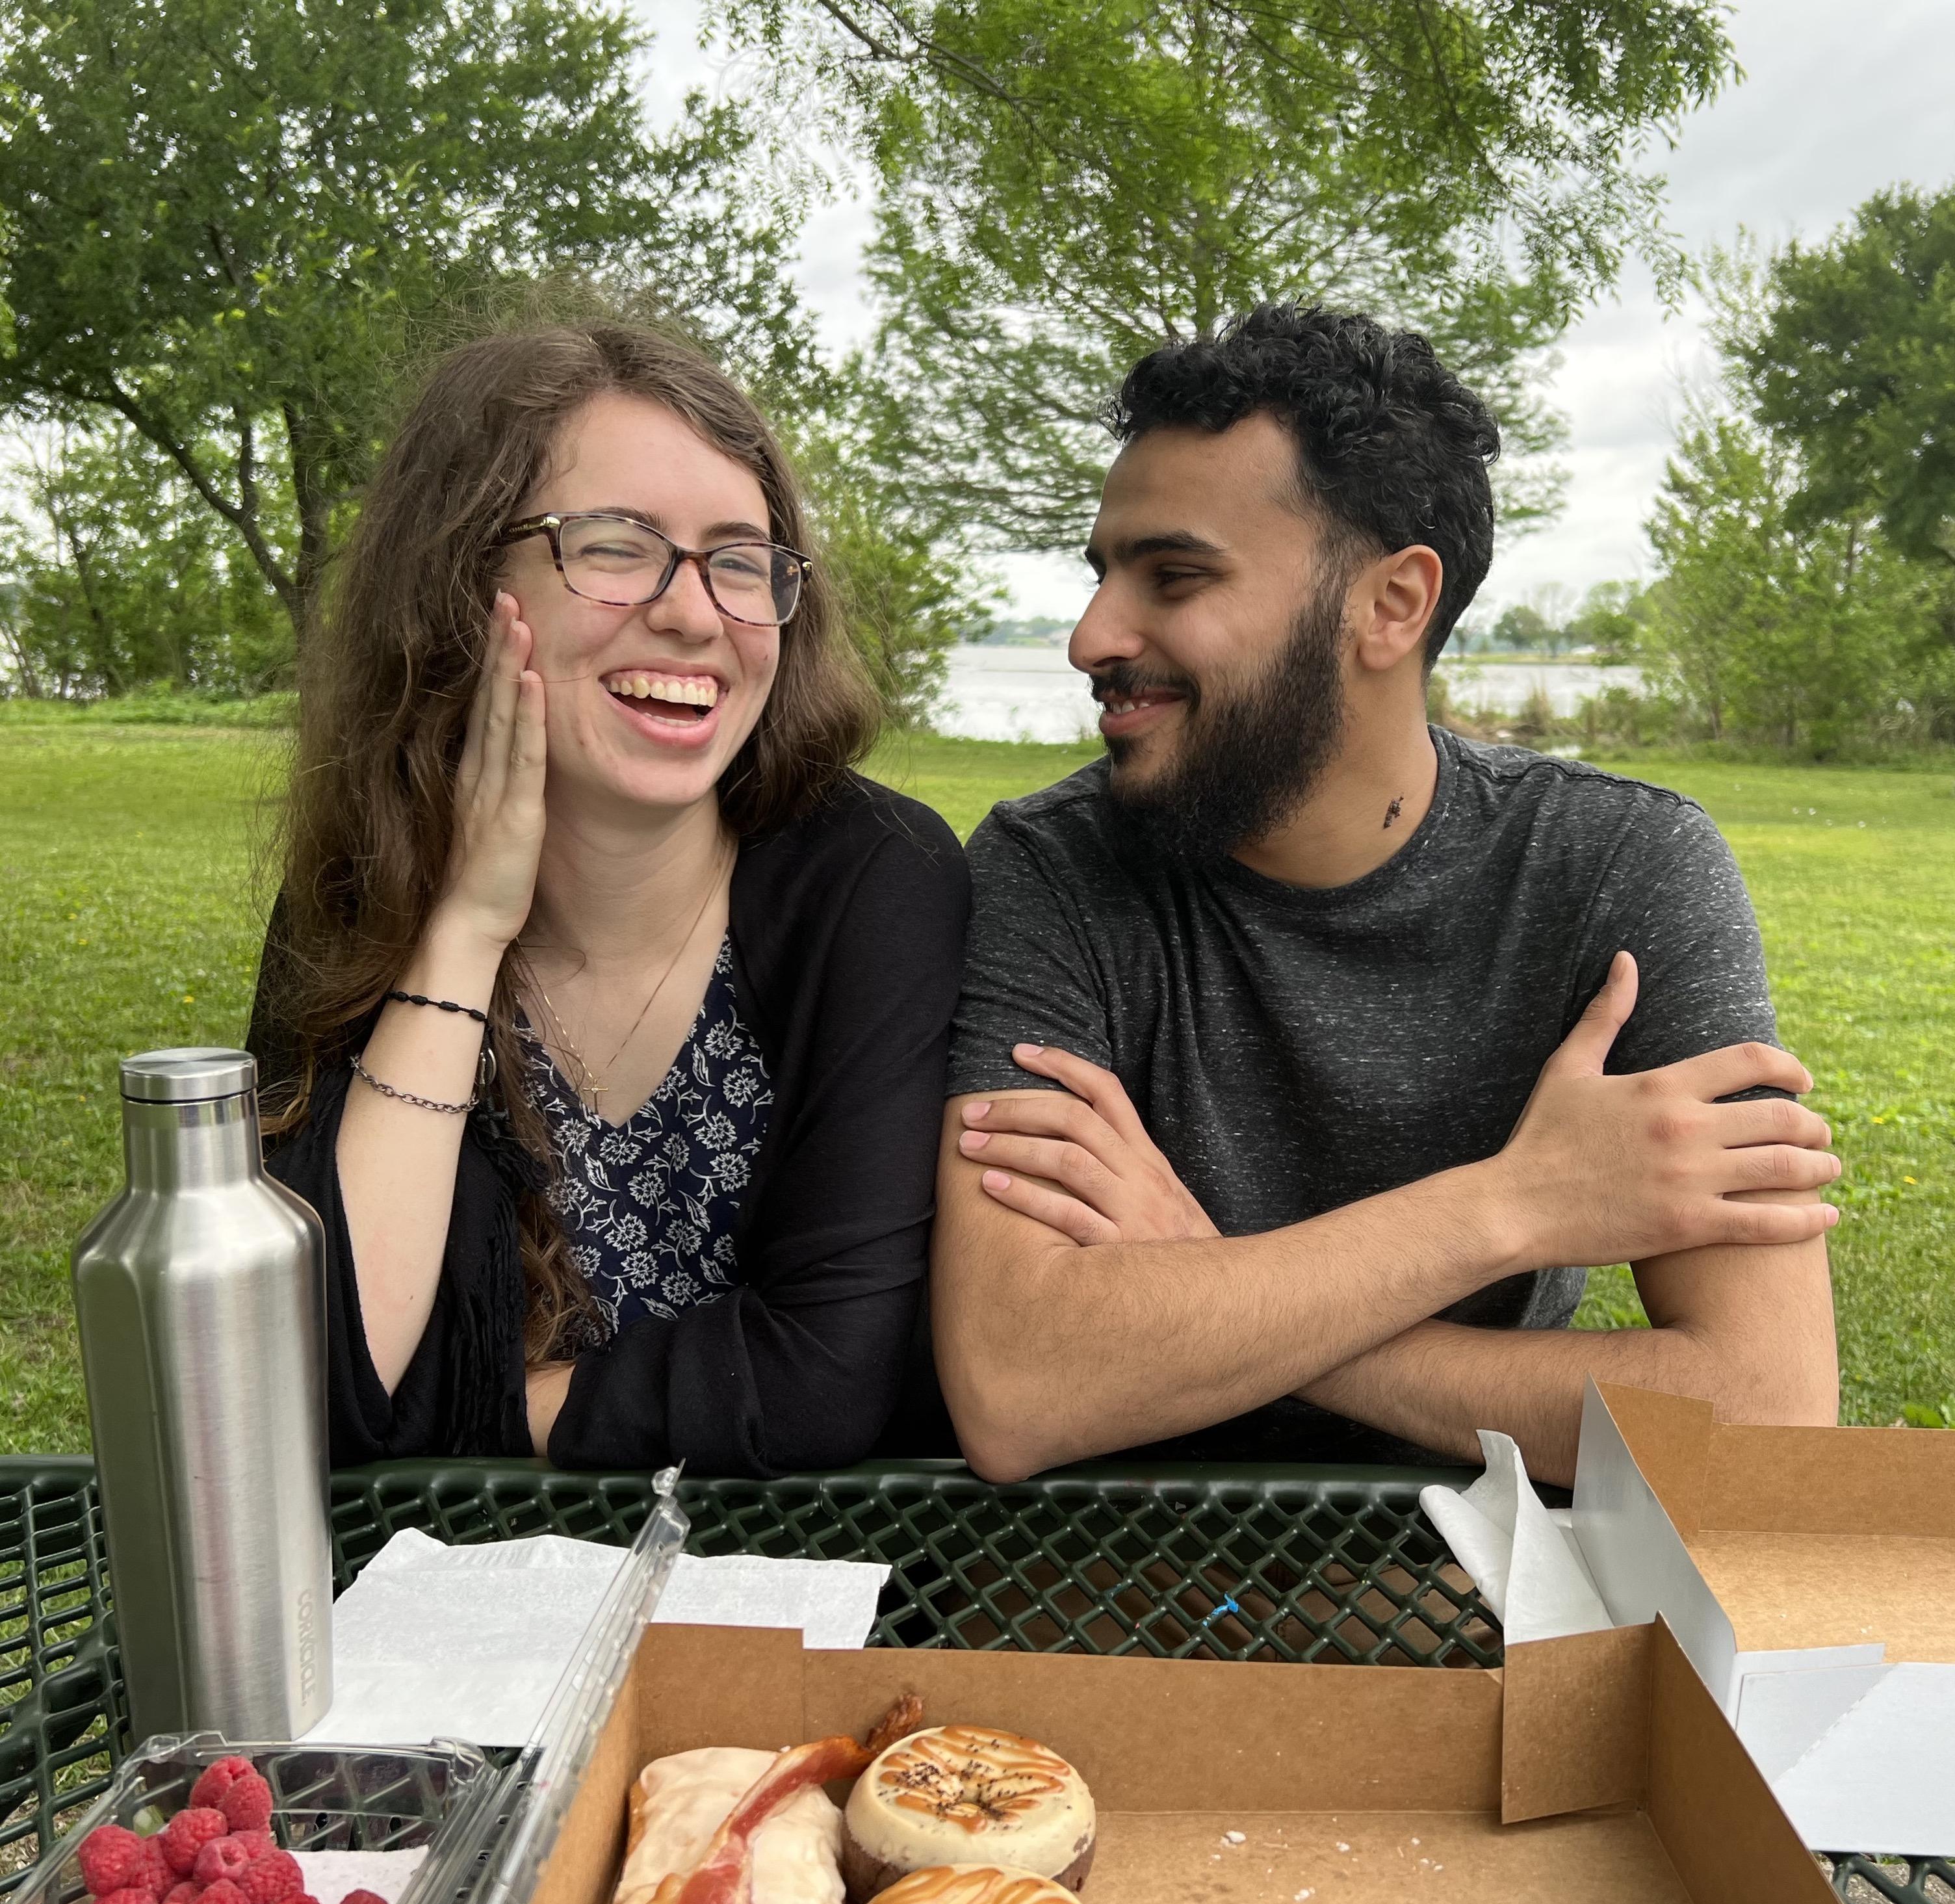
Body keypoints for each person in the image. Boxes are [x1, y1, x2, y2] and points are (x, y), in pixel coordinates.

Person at [932, 304, 1841, 1487]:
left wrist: (1213, 1278)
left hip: (1473, 1589)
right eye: (1104, 572)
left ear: (1393, 605)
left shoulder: (1618, 865)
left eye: (1174, 575)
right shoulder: (1049, 870)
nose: (1092, 634)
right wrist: (1513, 1206)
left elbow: (1765, 1409)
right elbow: (1020, 1382)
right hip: (1122, 1586)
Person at [246, 320, 968, 1473]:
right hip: (458, 1603)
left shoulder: (874, 879)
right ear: (464, 582)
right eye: (619, 546)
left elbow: (823, 1385)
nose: (695, 613)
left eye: (741, 560)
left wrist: (458, 1419)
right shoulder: (359, 893)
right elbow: (317, 1381)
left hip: (821, 1594)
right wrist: (466, 930)